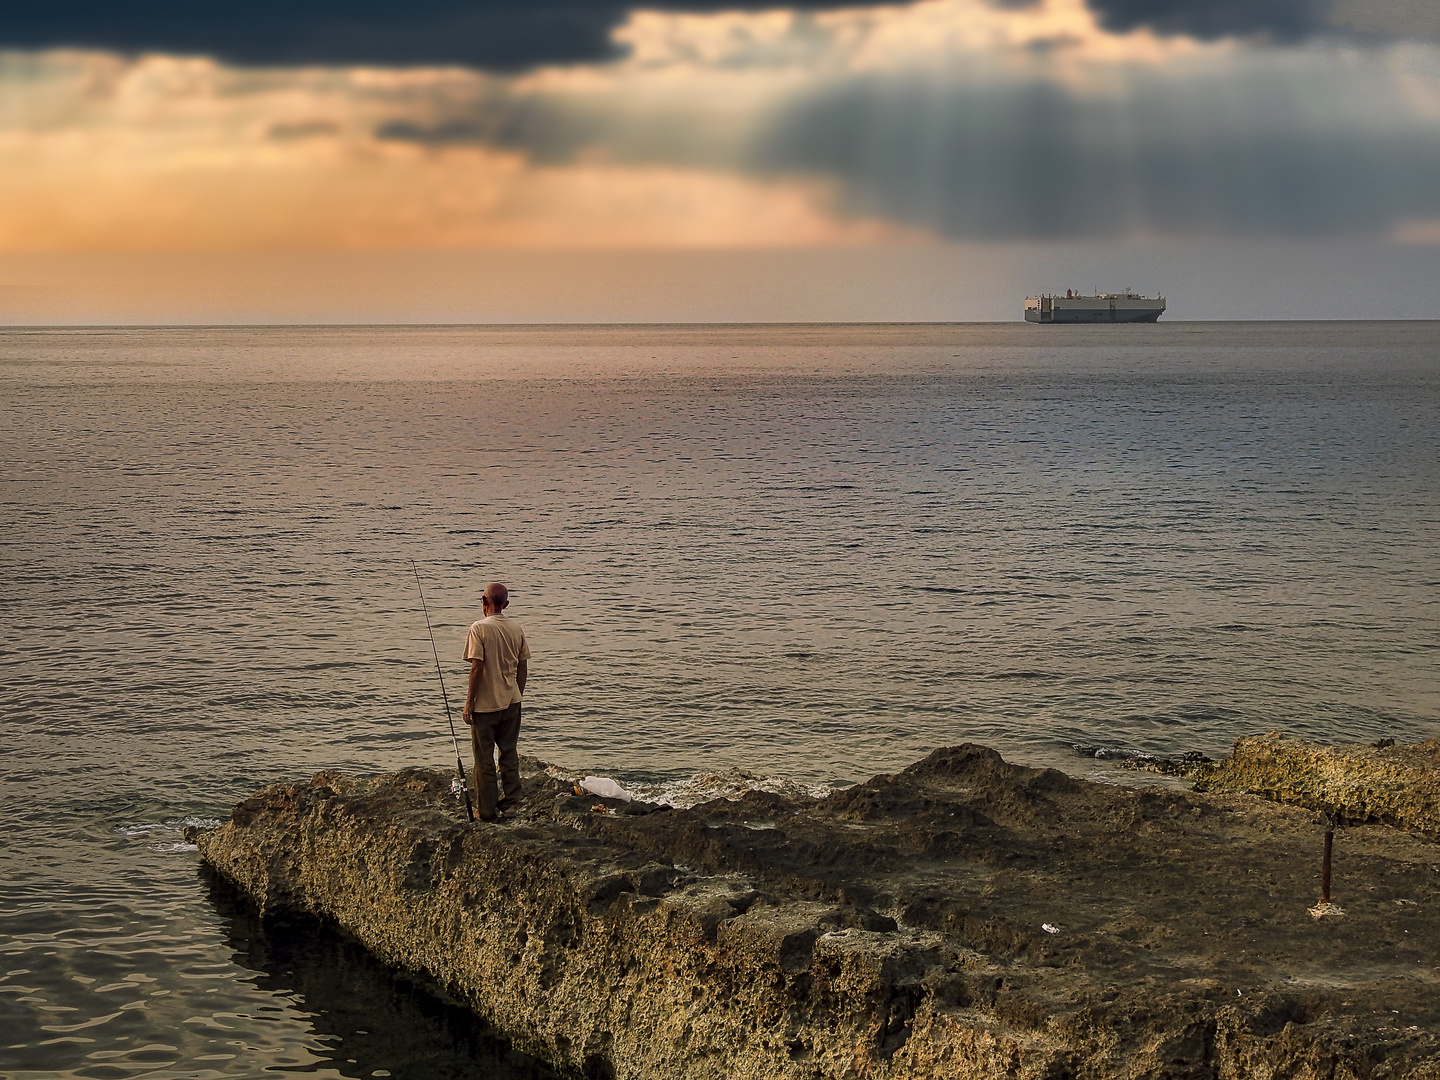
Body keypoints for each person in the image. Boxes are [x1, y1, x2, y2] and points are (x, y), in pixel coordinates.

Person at [461, 582, 530, 822]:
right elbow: (523, 667)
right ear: (506, 604)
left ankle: (487, 811)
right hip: (512, 701)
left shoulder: (478, 628)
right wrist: (516, 693)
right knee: (508, 753)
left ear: (484, 601)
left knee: (483, 758)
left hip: (485, 706)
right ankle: (510, 805)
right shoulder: (516, 628)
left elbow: (477, 667)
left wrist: (469, 703)